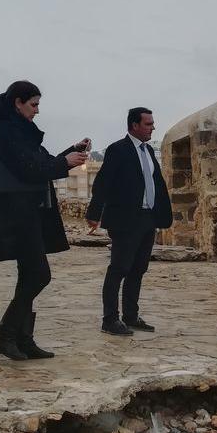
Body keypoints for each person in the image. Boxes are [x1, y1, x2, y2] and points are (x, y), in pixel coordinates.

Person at [0, 80, 88, 360]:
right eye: (33, 105)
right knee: (39, 276)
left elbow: (40, 165)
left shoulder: (23, 133)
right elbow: (29, 170)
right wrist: (65, 163)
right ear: (18, 103)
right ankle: (5, 335)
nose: (37, 111)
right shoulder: (8, 131)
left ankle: (22, 339)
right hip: (18, 215)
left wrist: (70, 152)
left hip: (29, 214)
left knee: (29, 276)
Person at [86, 107, 172, 336]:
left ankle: (131, 316)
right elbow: (103, 183)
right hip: (125, 219)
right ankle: (109, 319)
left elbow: (156, 184)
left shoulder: (149, 152)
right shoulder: (118, 150)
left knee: (138, 269)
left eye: (153, 123)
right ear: (134, 125)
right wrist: (94, 213)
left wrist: (161, 214)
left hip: (147, 218)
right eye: (148, 123)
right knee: (119, 268)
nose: (153, 127)